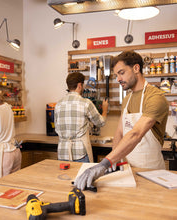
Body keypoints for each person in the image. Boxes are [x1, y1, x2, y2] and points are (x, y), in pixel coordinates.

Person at [74, 50, 169, 190]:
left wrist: (104, 163)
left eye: (121, 73)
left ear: (136, 68)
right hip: (129, 172)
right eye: (116, 75)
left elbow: (135, 134)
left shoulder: (155, 97)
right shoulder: (127, 99)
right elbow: (119, 132)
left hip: (151, 173)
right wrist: (114, 160)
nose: (118, 79)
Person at [54, 72, 109, 163]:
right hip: (80, 154)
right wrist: (104, 110)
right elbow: (101, 122)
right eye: (83, 85)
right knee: (82, 177)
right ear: (79, 85)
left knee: (65, 177)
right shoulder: (85, 103)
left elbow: (57, 128)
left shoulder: (58, 104)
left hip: (62, 153)